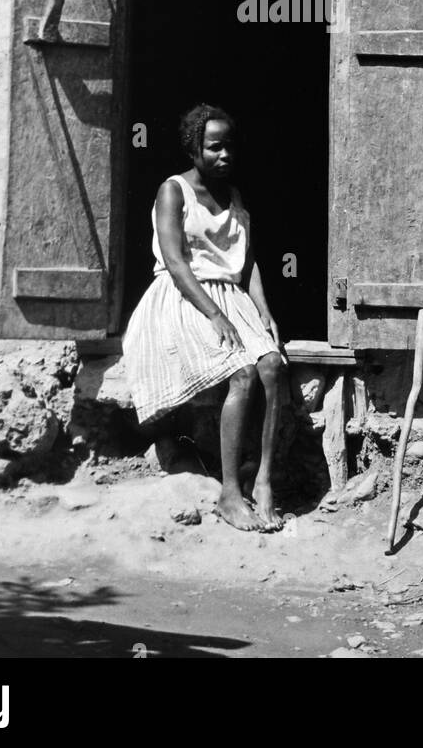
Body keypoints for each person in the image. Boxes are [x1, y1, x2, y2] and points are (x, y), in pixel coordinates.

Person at [123, 103, 285, 531]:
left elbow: (247, 262)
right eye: (214, 147)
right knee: (243, 372)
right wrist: (214, 314)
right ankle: (230, 493)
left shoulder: (233, 196)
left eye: (230, 146)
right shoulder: (173, 190)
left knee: (271, 365)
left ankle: (265, 481)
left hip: (232, 297)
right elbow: (176, 263)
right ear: (194, 148)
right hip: (182, 298)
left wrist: (265, 311)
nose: (224, 155)